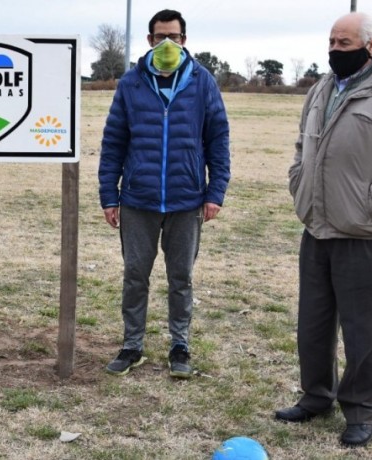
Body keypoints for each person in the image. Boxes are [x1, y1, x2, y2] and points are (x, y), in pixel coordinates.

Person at [275, 12, 372, 447]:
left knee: (364, 332)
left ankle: (361, 412)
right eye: (331, 41)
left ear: (371, 45)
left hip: (366, 236)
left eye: (344, 43)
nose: (334, 50)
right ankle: (315, 397)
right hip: (318, 228)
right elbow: (301, 147)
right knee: (313, 324)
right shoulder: (321, 89)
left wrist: (370, 202)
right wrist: (299, 183)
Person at [98, 9, 230, 379]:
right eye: (160, 37)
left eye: (174, 36)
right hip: (138, 199)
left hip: (187, 200)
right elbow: (113, 143)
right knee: (135, 275)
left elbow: (218, 140)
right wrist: (110, 196)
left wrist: (215, 192)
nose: (167, 43)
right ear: (149, 40)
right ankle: (132, 344)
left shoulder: (203, 83)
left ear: (185, 40)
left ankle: (179, 345)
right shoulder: (131, 84)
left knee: (181, 278)